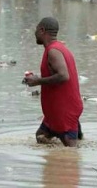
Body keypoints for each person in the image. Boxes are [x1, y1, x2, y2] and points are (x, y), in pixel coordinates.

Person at [24, 17, 84, 147]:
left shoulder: (53, 51)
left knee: (71, 152)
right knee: (40, 136)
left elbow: (63, 76)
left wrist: (38, 81)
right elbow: (56, 73)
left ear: (42, 30)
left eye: (36, 30)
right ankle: (53, 161)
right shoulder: (57, 48)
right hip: (55, 111)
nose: (34, 33)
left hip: (64, 109)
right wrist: (36, 78)